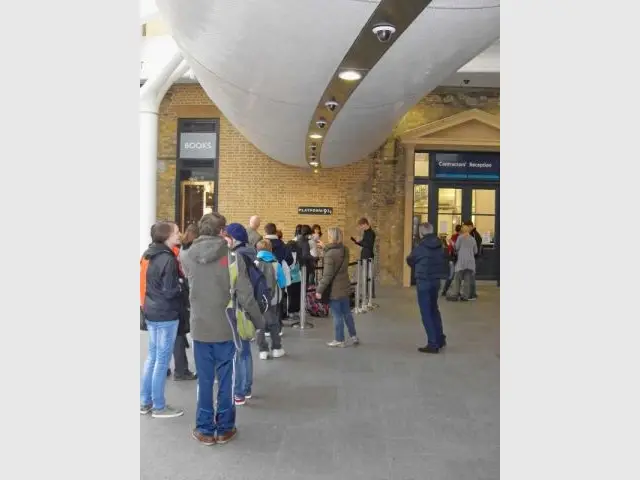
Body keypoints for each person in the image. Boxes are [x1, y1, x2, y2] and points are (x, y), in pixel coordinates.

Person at [181, 213, 262, 446]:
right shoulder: (233, 258)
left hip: (200, 327)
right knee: (226, 379)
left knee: (204, 380)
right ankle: (225, 428)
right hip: (226, 327)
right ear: (222, 231)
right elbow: (245, 296)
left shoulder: (186, 256)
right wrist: (259, 321)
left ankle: (205, 429)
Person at [140, 221, 185, 418]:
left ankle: (145, 401)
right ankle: (159, 406)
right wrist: (181, 286)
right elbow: (169, 291)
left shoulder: (148, 254)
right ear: (166, 236)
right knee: (162, 359)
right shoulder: (168, 258)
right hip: (166, 313)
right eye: (176, 232)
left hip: (151, 310)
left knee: (152, 356)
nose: (179, 235)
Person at [223, 223, 267, 407]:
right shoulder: (250, 253)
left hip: (238, 308)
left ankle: (239, 391)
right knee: (246, 350)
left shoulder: (236, 257)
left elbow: (243, 291)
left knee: (238, 351)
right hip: (248, 309)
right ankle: (246, 387)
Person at [406, 222, 447, 354]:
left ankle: (432, 343)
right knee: (434, 309)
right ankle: (440, 338)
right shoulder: (439, 245)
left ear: (422, 232)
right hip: (436, 281)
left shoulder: (421, 246)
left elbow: (410, 259)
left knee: (426, 312)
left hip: (423, 281)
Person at [316, 227, 359, 348]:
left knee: (337, 315)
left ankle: (339, 339)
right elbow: (336, 255)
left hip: (334, 289)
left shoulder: (330, 254)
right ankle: (353, 335)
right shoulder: (345, 250)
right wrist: (325, 248)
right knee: (347, 313)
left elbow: (328, 275)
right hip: (345, 285)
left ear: (332, 237)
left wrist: (319, 290)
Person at [170, 223, 199, 381]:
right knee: (182, 334)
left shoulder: (180, 249)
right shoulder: (193, 251)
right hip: (187, 294)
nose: (178, 234)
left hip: (183, 292)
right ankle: (181, 370)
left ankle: (177, 368)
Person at [255, 239, 287, 359]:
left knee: (259, 324)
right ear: (271, 250)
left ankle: (263, 350)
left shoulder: (254, 263)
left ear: (257, 250)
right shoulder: (276, 264)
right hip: (272, 299)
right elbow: (283, 283)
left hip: (258, 300)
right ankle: (276, 348)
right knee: (273, 322)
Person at [447, 225, 478, 302]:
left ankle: (455, 294)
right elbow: (475, 251)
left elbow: (456, 247)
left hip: (461, 261)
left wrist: (453, 244)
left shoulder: (460, 238)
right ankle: (465, 296)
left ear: (462, 231)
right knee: (467, 280)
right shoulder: (472, 239)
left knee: (457, 279)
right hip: (470, 262)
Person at [350, 217, 376, 298]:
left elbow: (369, 245)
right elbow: (365, 242)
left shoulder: (371, 233)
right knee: (365, 275)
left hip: (368, 255)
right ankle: (367, 292)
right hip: (365, 254)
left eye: (361, 226)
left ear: (365, 224)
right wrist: (357, 242)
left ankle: (370, 293)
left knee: (369, 275)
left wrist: (360, 242)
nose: (361, 228)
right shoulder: (366, 232)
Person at [463, 220, 482, 300]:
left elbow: (473, 248)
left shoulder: (474, 235)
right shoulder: (473, 234)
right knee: (471, 277)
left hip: (472, 259)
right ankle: (472, 294)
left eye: (465, 226)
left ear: (470, 226)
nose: (464, 228)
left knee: (470, 277)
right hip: (472, 258)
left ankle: (471, 295)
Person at [441, 224, 461, 297]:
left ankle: (445, 291)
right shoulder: (460, 237)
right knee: (456, 276)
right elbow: (455, 248)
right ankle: (456, 292)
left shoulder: (453, 237)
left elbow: (450, 248)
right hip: (457, 259)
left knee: (451, 275)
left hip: (452, 259)